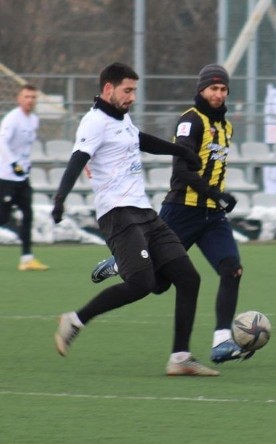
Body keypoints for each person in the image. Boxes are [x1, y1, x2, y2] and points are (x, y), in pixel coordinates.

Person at [51, 62, 218, 376]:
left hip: (144, 212)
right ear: (108, 89)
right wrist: (60, 197)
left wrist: (180, 152)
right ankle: (75, 320)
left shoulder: (122, 119)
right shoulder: (94, 122)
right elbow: (78, 159)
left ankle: (180, 358)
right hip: (117, 214)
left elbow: (142, 140)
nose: (132, 97)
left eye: (134, 91)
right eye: (127, 90)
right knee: (142, 283)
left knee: (187, 278)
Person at [89, 63, 254, 364]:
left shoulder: (227, 126)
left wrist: (216, 199)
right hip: (182, 211)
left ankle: (221, 341)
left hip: (212, 217)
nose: (218, 94)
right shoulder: (190, 121)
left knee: (232, 268)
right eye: (212, 88)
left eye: (222, 89)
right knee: (158, 284)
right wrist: (217, 194)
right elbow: (182, 170)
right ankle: (120, 263)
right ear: (201, 90)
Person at [0, 84, 49, 271]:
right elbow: (2, 142)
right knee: (3, 218)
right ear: (19, 99)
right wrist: (13, 163)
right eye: (26, 97)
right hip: (6, 177)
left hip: (22, 177)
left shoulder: (34, 120)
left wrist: (24, 166)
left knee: (28, 214)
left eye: (33, 97)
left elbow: (25, 148)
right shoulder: (12, 119)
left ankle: (27, 258)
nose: (30, 100)